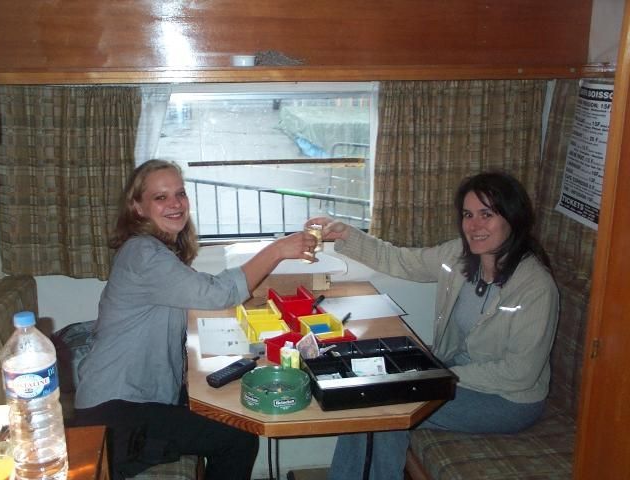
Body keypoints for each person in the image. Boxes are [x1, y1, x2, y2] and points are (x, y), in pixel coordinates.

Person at [74, 159, 318, 480]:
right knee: (238, 437)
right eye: (160, 197)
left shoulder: (154, 250)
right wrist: (277, 250)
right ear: (138, 207)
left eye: (180, 193)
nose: (175, 204)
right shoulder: (144, 255)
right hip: (114, 416)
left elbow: (202, 295)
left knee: (221, 399)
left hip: (135, 398)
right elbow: (217, 294)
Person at [306, 171, 559, 480]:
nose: (474, 226)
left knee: (385, 408)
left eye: (486, 215)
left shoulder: (535, 287)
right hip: (455, 371)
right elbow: (401, 260)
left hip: (507, 399)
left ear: (513, 218)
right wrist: (347, 234)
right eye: (468, 215)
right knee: (369, 385)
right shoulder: (458, 256)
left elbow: (520, 373)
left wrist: (437, 374)